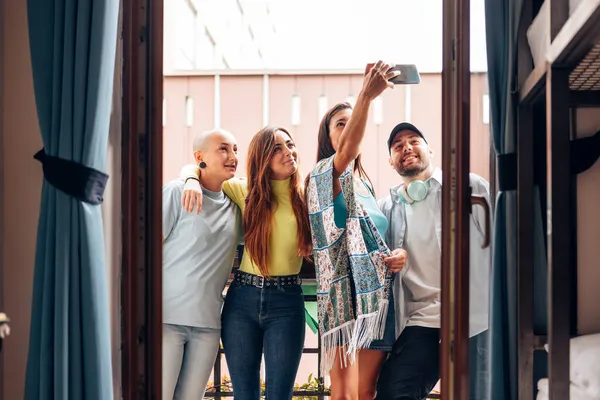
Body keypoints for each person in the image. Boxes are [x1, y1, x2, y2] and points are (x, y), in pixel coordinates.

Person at [180, 125, 312, 400]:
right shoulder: (246, 191)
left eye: (289, 144)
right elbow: (200, 169)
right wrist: (191, 180)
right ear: (262, 157)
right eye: (277, 148)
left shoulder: (306, 196)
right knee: (244, 395)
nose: (288, 152)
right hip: (242, 301)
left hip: (287, 303)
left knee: (280, 395)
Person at [306, 61, 408, 400]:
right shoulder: (325, 174)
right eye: (340, 124)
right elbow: (346, 151)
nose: (348, 129)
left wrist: (394, 258)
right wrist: (366, 95)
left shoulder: (365, 185)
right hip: (343, 304)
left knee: (366, 393)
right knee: (344, 396)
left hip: (376, 301)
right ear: (328, 136)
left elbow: (374, 243)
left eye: (354, 123)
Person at [375, 122, 491, 400]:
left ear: (430, 149)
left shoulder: (469, 186)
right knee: (392, 393)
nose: (407, 148)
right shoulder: (386, 207)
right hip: (418, 322)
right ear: (391, 162)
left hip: (472, 318)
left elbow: (500, 243)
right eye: (398, 146)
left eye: (414, 141)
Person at [162, 129, 242, 400]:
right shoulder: (175, 192)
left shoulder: (236, 205)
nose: (232, 156)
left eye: (234, 149)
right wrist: (190, 178)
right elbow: (144, 253)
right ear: (200, 157)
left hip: (208, 324)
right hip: (165, 319)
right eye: (223, 149)